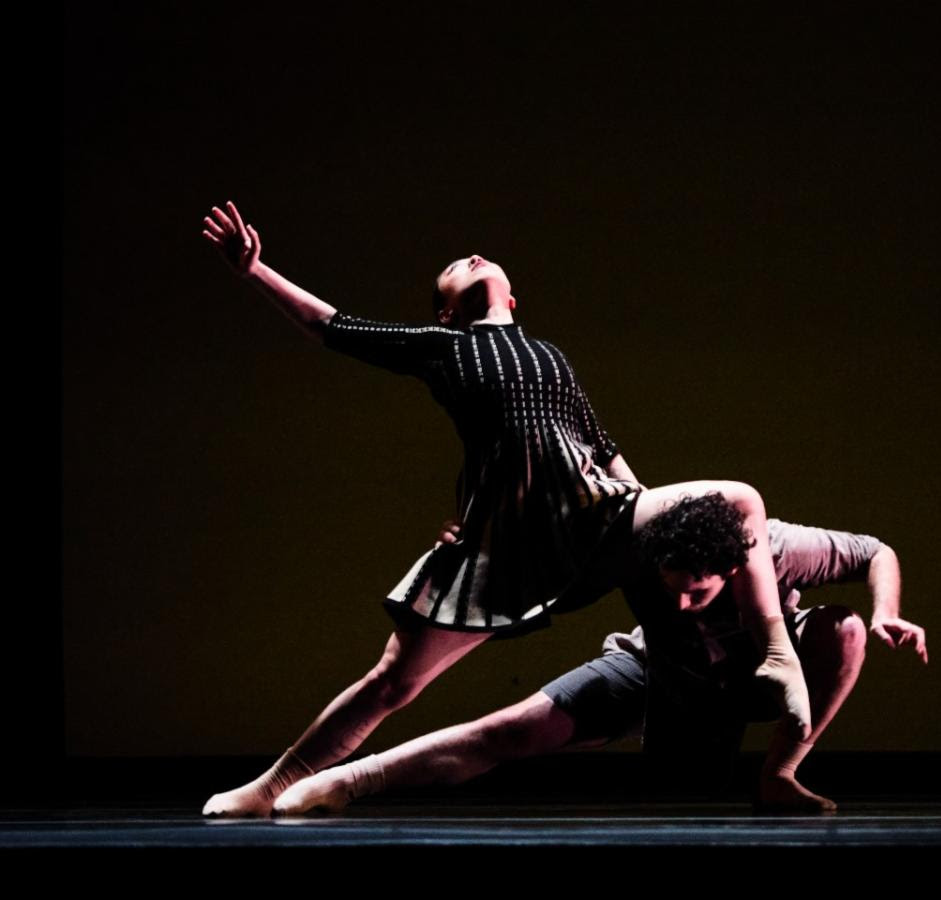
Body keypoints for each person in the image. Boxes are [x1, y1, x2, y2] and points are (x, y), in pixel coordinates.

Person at [199, 202, 813, 817]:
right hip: (511, 546)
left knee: (737, 499)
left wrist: (653, 529)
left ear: (513, 298)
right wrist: (255, 271)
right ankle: (273, 786)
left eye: (479, 257)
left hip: (593, 518)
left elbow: (602, 447)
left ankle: (777, 657)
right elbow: (334, 325)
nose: (470, 256)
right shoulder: (444, 346)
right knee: (394, 680)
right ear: (445, 309)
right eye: (452, 268)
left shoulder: (550, 356)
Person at [270, 494, 928, 815]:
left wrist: (887, 614)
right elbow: (538, 542)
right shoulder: (634, 557)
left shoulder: (783, 548)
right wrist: (471, 539)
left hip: (750, 681)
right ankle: (348, 780)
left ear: (733, 569)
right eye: (670, 591)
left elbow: (877, 551)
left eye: (696, 595)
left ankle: (778, 776)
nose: (680, 605)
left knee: (841, 630)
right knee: (507, 731)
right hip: (657, 674)